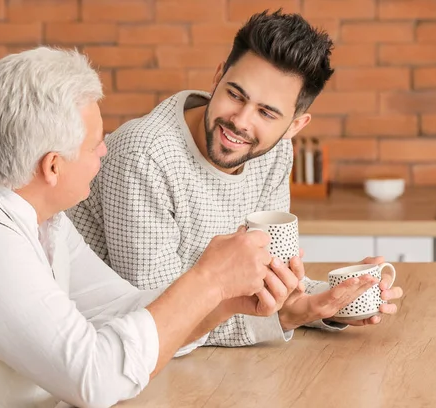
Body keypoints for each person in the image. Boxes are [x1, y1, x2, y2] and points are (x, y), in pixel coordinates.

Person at [0, 46, 360, 408]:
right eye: (96, 144)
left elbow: (125, 310)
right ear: (53, 167)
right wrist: (206, 279)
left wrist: (221, 302)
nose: (106, 151)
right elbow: (96, 378)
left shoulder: (39, 219)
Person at [69, 9, 403, 347]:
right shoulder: (143, 157)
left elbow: (263, 285)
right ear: (217, 77)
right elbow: (158, 324)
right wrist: (286, 317)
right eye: (235, 94)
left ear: (294, 127)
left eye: (267, 112)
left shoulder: (274, 153)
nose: (240, 121)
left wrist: (331, 299)